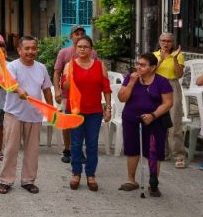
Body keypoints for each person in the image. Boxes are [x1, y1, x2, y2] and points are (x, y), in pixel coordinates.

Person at [0, 36, 53, 195]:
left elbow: (47, 89)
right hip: (14, 114)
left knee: (32, 151)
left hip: (35, 115)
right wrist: (19, 90)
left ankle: (28, 181)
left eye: (33, 48)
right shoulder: (12, 66)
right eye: (27, 48)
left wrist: (50, 110)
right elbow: (9, 84)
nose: (30, 51)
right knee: (10, 149)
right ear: (19, 50)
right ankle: (6, 180)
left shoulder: (41, 68)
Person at [117, 53, 173, 197]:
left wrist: (153, 115)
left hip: (155, 120)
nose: (138, 67)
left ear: (152, 67)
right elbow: (122, 98)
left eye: (142, 65)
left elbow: (168, 103)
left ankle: (153, 183)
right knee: (132, 148)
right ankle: (131, 180)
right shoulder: (131, 78)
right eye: (138, 64)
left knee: (154, 150)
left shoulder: (162, 81)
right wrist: (131, 83)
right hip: (131, 119)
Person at [62, 35, 111, 191]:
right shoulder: (69, 65)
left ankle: (91, 174)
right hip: (75, 111)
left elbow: (106, 88)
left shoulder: (100, 65)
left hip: (94, 111)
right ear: (75, 49)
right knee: (76, 143)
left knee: (92, 143)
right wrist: (68, 78)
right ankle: (76, 173)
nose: (82, 49)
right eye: (79, 46)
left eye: (86, 47)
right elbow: (65, 87)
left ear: (91, 49)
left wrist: (108, 108)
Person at [53, 25, 98, 163]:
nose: (79, 36)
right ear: (71, 37)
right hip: (67, 94)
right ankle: (68, 149)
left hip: (85, 95)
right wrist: (57, 90)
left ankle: (78, 150)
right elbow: (57, 72)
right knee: (67, 122)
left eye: (82, 34)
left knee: (82, 123)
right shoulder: (64, 53)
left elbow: (96, 71)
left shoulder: (92, 53)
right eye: (76, 34)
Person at [154, 33, 186, 168]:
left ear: (173, 43)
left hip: (172, 85)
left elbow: (179, 74)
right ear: (159, 41)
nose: (166, 43)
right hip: (157, 85)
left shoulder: (178, 55)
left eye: (169, 41)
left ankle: (179, 155)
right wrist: (161, 60)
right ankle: (163, 151)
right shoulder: (154, 55)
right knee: (158, 120)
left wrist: (174, 59)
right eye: (163, 40)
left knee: (174, 121)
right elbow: (150, 72)